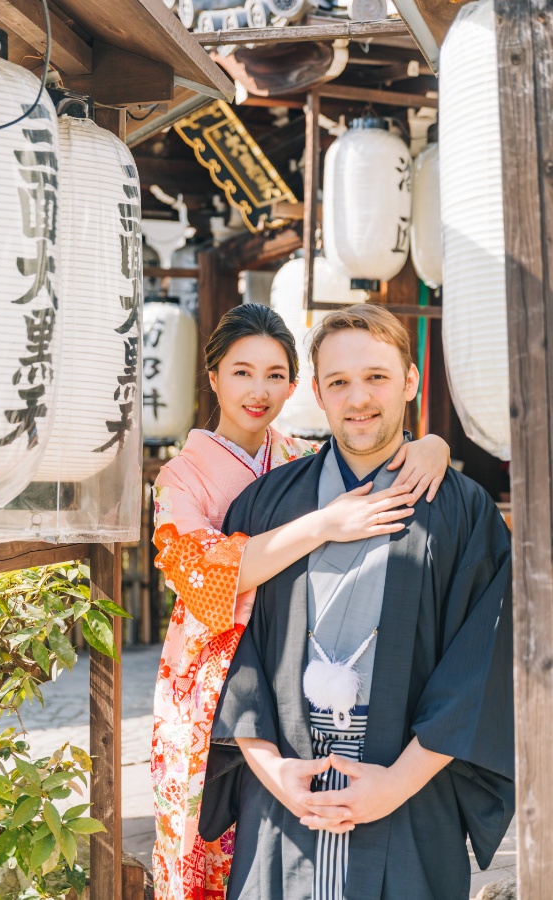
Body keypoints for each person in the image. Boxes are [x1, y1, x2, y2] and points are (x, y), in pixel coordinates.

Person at [200, 304, 514, 900]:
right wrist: (273, 771)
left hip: (409, 783)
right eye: (339, 382)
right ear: (316, 393)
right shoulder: (266, 505)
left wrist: (395, 784)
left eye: (377, 377)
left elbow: (484, 661)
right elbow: (225, 649)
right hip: (285, 785)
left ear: (411, 381)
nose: (359, 398)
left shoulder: (463, 509)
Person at [151, 303, 451, 900]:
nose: (258, 391)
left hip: (288, 674)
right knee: (206, 855)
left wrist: (433, 445)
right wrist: (324, 524)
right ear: (213, 377)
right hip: (215, 677)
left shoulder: (297, 458)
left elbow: (372, 443)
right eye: (241, 372)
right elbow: (205, 576)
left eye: (275, 374)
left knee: (283, 847)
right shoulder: (181, 477)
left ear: (296, 386)